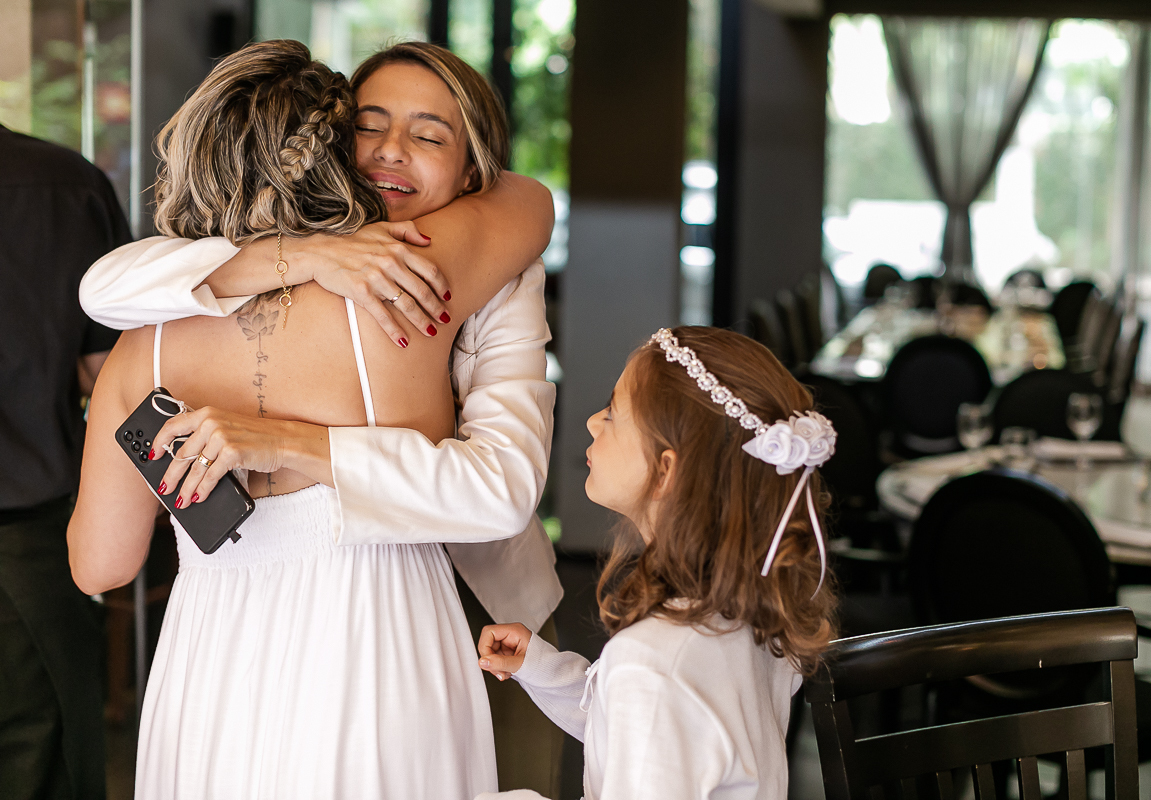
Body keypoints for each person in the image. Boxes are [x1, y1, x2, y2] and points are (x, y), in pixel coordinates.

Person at [79, 42, 565, 795]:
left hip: (218, 646)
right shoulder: (398, 279)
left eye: (428, 135)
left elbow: (99, 566)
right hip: (379, 624)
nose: (391, 150)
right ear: (330, 147)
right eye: (369, 127)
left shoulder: (142, 343)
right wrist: (301, 256)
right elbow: (101, 284)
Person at [475, 326, 840, 800]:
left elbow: (652, 707)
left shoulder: (652, 661)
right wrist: (542, 668)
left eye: (613, 413)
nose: (592, 422)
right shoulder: (748, 613)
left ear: (666, 470)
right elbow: (648, 736)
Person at [0, 123, 131, 800]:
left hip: (30, 541)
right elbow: (108, 372)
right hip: (28, 553)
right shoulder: (67, 185)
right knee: (40, 764)